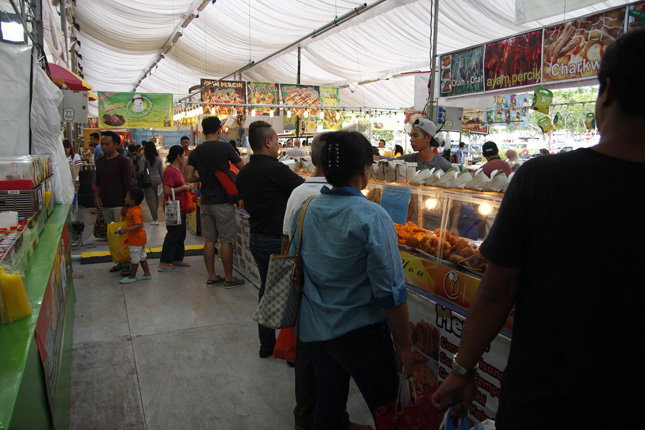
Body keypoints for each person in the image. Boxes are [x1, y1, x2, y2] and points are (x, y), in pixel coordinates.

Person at [431, 29, 644, 429]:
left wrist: (462, 367)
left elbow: (497, 290)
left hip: (546, 400)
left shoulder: (544, 178)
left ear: (608, 90)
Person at [292, 130, 413, 429]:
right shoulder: (371, 215)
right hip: (361, 335)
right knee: (388, 410)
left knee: (329, 405)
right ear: (364, 169)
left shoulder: (306, 209)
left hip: (317, 330)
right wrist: (406, 347)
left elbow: (299, 268)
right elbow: (390, 291)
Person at [281, 133, 370, 430]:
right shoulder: (367, 211)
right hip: (348, 316)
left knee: (319, 375)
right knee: (327, 375)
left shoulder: (299, 195)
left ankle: (312, 419)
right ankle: (312, 419)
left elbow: (288, 246)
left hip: (313, 304)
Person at [236, 120, 304, 358]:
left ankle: (266, 345)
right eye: (276, 140)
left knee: (266, 290)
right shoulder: (277, 169)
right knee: (290, 293)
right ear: (267, 142)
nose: (278, 144)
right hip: (278, 240)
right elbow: (304, 190)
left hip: (256, 238)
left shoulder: (244, 172)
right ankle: (289, 349)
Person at [185, 116, 245, 287]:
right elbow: (243, 168)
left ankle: (212, 276)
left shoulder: (196, 152)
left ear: (203, 131)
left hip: (206, 202)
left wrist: (202, 177)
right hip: (223, 202)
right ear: (219, 129)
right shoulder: (225, 147)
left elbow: (188, 176)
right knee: (226, 240)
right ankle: (228, 278)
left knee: (209, 240)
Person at [95, 131, 133, 274]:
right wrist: (97, 197)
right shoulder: (100, 162)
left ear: (116, 145)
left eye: (107, 144)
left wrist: (125, 205)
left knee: (122, 236)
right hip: (106, 204)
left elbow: (128, 185)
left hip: (119, 204)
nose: (103, 147)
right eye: (102, 144)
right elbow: (98, 182)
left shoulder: (123, 162)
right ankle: (118, 260)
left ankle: (126, 264)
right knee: (111, 237)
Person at [158, 145, 193, 272]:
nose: (184, 158)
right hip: (174, 208)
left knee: (181, 233)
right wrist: (183, 188)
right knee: (173, 234)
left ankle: (177, 259)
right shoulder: (170, 171)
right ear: (178, 156)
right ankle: (164, 262)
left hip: (181, 206)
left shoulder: (177, 170)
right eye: (183, 155)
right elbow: (167, 190)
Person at [381, 118, 452, 172]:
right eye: (411, 136)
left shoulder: (443, 165)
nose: (411, 139)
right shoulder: (410, 159)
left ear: (428, 138)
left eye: (415, 136)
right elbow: (392, 161)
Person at [115, 187, 151, 284]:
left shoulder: (135, 212)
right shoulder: (133, 209)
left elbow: (138, 225)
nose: (124, 198)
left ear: (132, 201)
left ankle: (132, 277)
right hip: (140, 238)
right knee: (142, 257)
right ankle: (147, 274)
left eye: (127, 197)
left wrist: (126, 230)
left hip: (136, 239)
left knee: (134, 259)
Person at [138, 141, 164, 225]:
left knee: (150, 200)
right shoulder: (158, 159)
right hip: (158, 180)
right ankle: (155, 216)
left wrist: (136, 177)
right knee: (156, 199)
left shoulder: (144, 158)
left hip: (148, 180)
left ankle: (155, 219)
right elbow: (161, 172)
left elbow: (141, 170)